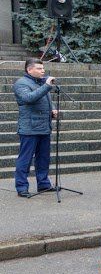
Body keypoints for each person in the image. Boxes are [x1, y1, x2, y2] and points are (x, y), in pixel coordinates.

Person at [13, 58, 56, 196]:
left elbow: (47, 100)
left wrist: (53, 110)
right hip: (29, 128)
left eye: (43, 68)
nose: (42, 71)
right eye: (39, 68)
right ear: (29, 69)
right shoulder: (21, 83)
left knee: (43, 158)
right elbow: (28, 98)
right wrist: (47, 86)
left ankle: (43, 184)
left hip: (44, 126)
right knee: (25, 159)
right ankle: (21, 187)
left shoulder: (42, 83)